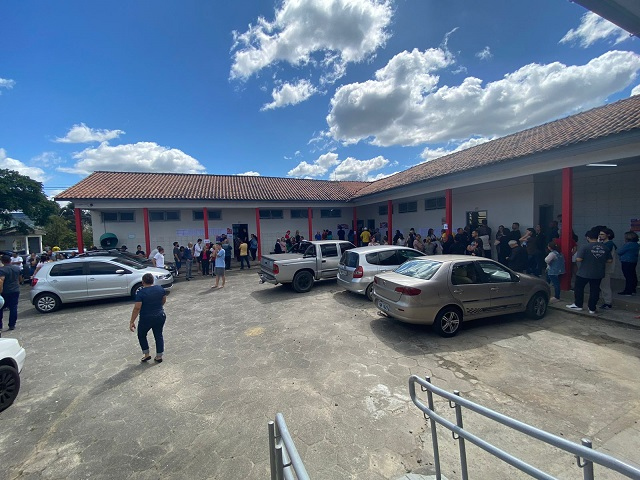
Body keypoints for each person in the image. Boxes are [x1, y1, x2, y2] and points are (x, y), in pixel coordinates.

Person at [566, 228, 612, 314]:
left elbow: (579, 259)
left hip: (584, 272)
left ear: (588, 237)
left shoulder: (585, 246)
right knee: (595, 290)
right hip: (598, 273)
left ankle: (578, 305)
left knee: (579, 288)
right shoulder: (604, 247)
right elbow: (610, 260)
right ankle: (592, 308)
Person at [129, 273, 167, 363]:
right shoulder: (160, 289)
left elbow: (137, 307)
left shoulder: (141, 293)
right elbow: (164, 299)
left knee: (141, 335)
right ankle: (159, 356)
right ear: (153, 281)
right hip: (160, 315)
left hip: (146, 318)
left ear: (143, 282)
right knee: (158, 335)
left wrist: (132, 321)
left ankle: (146, 354)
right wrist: (158, 306)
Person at [0, 254, 23, 332]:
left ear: (2, 261)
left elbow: (1, 281)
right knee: (13, 308)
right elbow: (20, 279)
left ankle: (0, 325)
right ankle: (12, 325)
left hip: (5, 291)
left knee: (1, 308)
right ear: (10, 260)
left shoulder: (2, 270)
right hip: (15, 290)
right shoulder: (17, 268)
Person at [598, 228, 616, 309]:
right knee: (603, 285)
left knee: (605, 286)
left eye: (602, 234)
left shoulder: (609, 244)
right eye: (600, 234)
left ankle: (608, 302)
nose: (600, 236)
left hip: (606, 268)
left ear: (608, 235)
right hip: (603, 267)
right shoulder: (606, 243)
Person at [617, 231, 639, 296]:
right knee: (632, 275)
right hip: (633, 261)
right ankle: (633, 289)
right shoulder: (636, 244)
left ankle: (628, 291)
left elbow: (619, 251)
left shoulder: (628, 244)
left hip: (626, 261)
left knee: (628, 276)